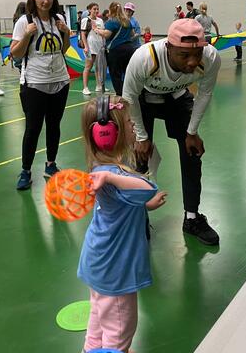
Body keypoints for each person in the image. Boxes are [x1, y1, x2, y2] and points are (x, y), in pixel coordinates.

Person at [78, 95, 167, 353]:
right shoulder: (112, 175)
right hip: (116, 270)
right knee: (119, 330)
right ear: (108, 134)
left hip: (98, 263)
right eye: (128, 122)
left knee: (97, 321)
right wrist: (115, 178)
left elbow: (127, 201)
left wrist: (143, 206)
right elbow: (149, 187)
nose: (133, 126)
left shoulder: (99, 168)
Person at [122, 19, 222, 245]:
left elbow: (204, 94)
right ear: (168, 47)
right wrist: (141, 137)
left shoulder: (210, 57)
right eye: (184, 55)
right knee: (139, 158)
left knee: (192, 153)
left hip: (177, 97)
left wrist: (192, 132)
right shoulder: (144, 58)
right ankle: (139, 218)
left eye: (197, 54)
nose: (192, 62)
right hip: (142, 99)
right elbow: (128, 97)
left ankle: (192, 217)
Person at [11, 0, 72, 190]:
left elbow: (63, 49)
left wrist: (65, 32)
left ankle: (50, 165)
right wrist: (27, 34)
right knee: (33, 129)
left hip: (60, 81)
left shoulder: (59, 19)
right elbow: (16, 53)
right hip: (34, 83)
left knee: (54, 126)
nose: (45, 1)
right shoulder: (24, 22)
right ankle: (26, 170)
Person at [100, 2, 136, 96]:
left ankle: (120, 95)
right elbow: (132, 34)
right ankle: (130, 93)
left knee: (116, 74)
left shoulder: (111, 21)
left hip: (116, 50)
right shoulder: (127, 21)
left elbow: (107, 35)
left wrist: (97, 30)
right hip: (129, 49)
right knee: (128, 73)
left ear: (111, 10)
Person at [79, 2, 105, 95]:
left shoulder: (100, 21)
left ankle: (99, 86)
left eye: (97, 9)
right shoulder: (86, 20)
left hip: (99, 46)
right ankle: (85, 88)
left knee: (98, 67)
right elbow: (83, 34)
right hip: (90, 46)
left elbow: (102, 33)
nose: (96, 11)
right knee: (88, 67)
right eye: (94, 9)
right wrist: (86, 46)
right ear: (89, 10)